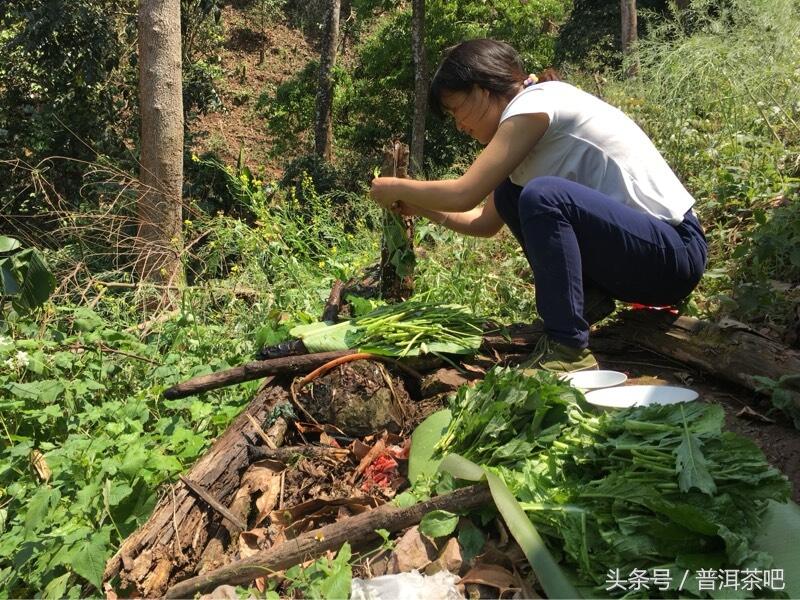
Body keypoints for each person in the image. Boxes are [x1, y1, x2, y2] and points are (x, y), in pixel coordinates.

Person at [370, 39, 707, 372]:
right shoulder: (524, 131)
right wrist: (419, 207)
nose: (459, 124)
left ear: (483, 89)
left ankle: (567, 348)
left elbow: (464, 194)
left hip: (675, 251)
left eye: (457, 109)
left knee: (542, 196)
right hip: (639, 260)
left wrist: (398, 186)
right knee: (511, 194)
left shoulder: (535, 103)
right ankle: (587, 301)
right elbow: (483, 223)